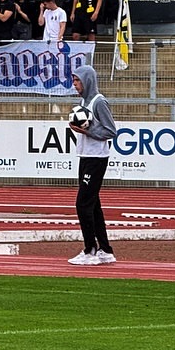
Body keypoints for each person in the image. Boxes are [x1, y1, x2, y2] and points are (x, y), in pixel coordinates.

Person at [67, 64, 119, 266]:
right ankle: (106, 250)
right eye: (74, 80)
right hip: (85, 156)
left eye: (78, 80)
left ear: (88, 80)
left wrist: (87, 132)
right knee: (94, 205)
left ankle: (90, 250)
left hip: (96, 158)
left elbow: (111, 131)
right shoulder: (84, 101)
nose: (75, 84)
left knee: (83, 204)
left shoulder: (99, 102)